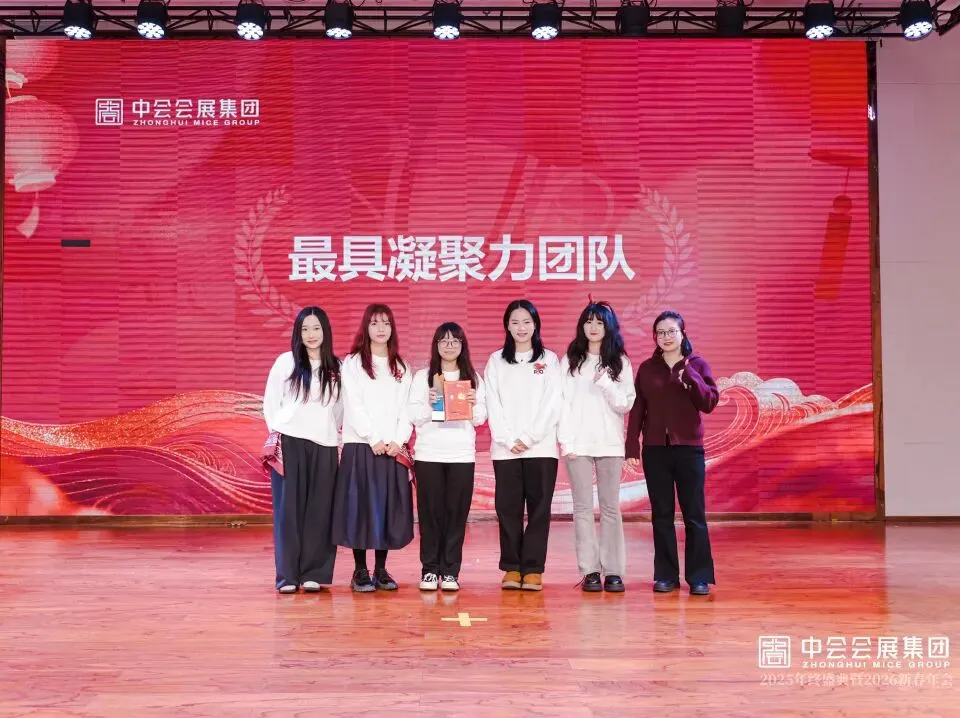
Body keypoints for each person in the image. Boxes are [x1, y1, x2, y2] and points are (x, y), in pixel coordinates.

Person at [625, 310, 720, 596]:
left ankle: (699, 576)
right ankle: (666, 575)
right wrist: (632, 445)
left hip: (689, 450)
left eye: (671, 331)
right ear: (655, 337)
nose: (666, 337)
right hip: (656, 451)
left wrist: (691, 377)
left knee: (694, 514)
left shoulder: (697, 364)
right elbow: (638, 410)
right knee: (662, 515)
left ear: (682, 334)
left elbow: (709, 403)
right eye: (661, 332)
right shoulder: (647, 369)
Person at [332, 303, 414, 593]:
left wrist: (398, 441)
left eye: (386, 323)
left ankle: (380, 569)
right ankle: (360, 570)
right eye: (375, 323)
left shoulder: (401, 367)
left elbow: (407, 409)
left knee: (385, 508)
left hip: (391, 448)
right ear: (366, 328)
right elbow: (354, 405)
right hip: (361, 445)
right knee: (360, 508)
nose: (381, 329)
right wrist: (373, 437)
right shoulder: (353, 363)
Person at [262, 306, 342, 594]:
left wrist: (331, 432)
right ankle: (287, 576)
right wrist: (279, 433)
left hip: (325, 445)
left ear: (325, 331)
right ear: (298, 332)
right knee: (288, 511)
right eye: (305, 329)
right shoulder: (286, 362)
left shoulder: (337, 366)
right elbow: (271, 403)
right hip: (290, 442)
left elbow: (339, 410)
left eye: (316, 328)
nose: (311, 334)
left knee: (320, 510)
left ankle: (313, 573)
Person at [484, 299, 562, 591]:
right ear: (507, 326)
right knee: (508, 509)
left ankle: (533, 568)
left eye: (527, 322)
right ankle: (512, 567)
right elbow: (492, 402)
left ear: (536, 324)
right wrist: (507, 438)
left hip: (541, 448)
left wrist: (529, 437)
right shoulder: (496, 360)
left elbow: (552, 403)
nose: (521, 328)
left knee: (540, 509)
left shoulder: (549, 360)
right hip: (505, 450)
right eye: (515, 322)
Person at [559, 301, 636, 593]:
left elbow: (625, 403)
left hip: (610, 443)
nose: (593, 327)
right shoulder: (570, 361)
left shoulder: (620, 362)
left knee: (610, 508)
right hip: (578, 444)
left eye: (599, 322)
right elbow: (562, 404)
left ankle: (613, 571)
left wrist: (606, 382)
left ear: (609, 327)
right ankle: (590, 570)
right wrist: (567, 442)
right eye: (588, 321)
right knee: (582, 509)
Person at [407, 322, 487, 592]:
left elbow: (481, 418)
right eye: (444, 340)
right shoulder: (423, 377)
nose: (449, 345)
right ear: (436, 345)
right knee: (430, 515)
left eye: (455, 341)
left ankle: (451, 571)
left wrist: (473, 404)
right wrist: (429, 404)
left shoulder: (473, 378)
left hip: (461, 455)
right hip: (429, 454)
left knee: (456, 515)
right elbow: (413, 415)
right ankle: (430, 570)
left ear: (462, 345)